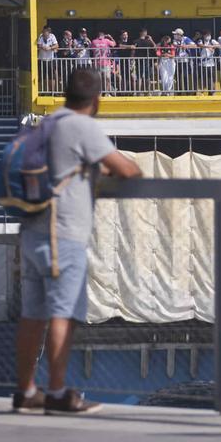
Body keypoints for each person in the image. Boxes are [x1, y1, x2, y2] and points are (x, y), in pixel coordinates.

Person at [13, 68, 142, 415]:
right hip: (63, 235)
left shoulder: (48, 123)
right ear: (96, 100)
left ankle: (25, 391)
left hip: (32, 232)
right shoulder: (82, 126)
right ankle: (56, 392)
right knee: (62, 315)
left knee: (32, 316)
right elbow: (128, 170)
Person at [36, 26, 59, 94]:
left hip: (50, 60)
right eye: (43, 31)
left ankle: (52, 92)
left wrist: (50, 48)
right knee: (42, 76)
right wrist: (43, 47)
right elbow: (38, 45)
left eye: (45, 31)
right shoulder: (41, 36)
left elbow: (57, 45)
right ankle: (42, 91)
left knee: (52, 76)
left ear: (48, 32)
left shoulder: (52, 36)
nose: (44, 32)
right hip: (42, 59)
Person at [134, 28, 157, 94]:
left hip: (139, 60)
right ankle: (148, 92)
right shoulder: (149, 41)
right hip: (147, 61)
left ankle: (138, 92)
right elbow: (155, 48)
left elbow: (133, 51)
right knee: (147, 77)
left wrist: (132, 59)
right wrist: (151, 39)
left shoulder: (136, 41)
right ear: (145, 33)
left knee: (139, 77)